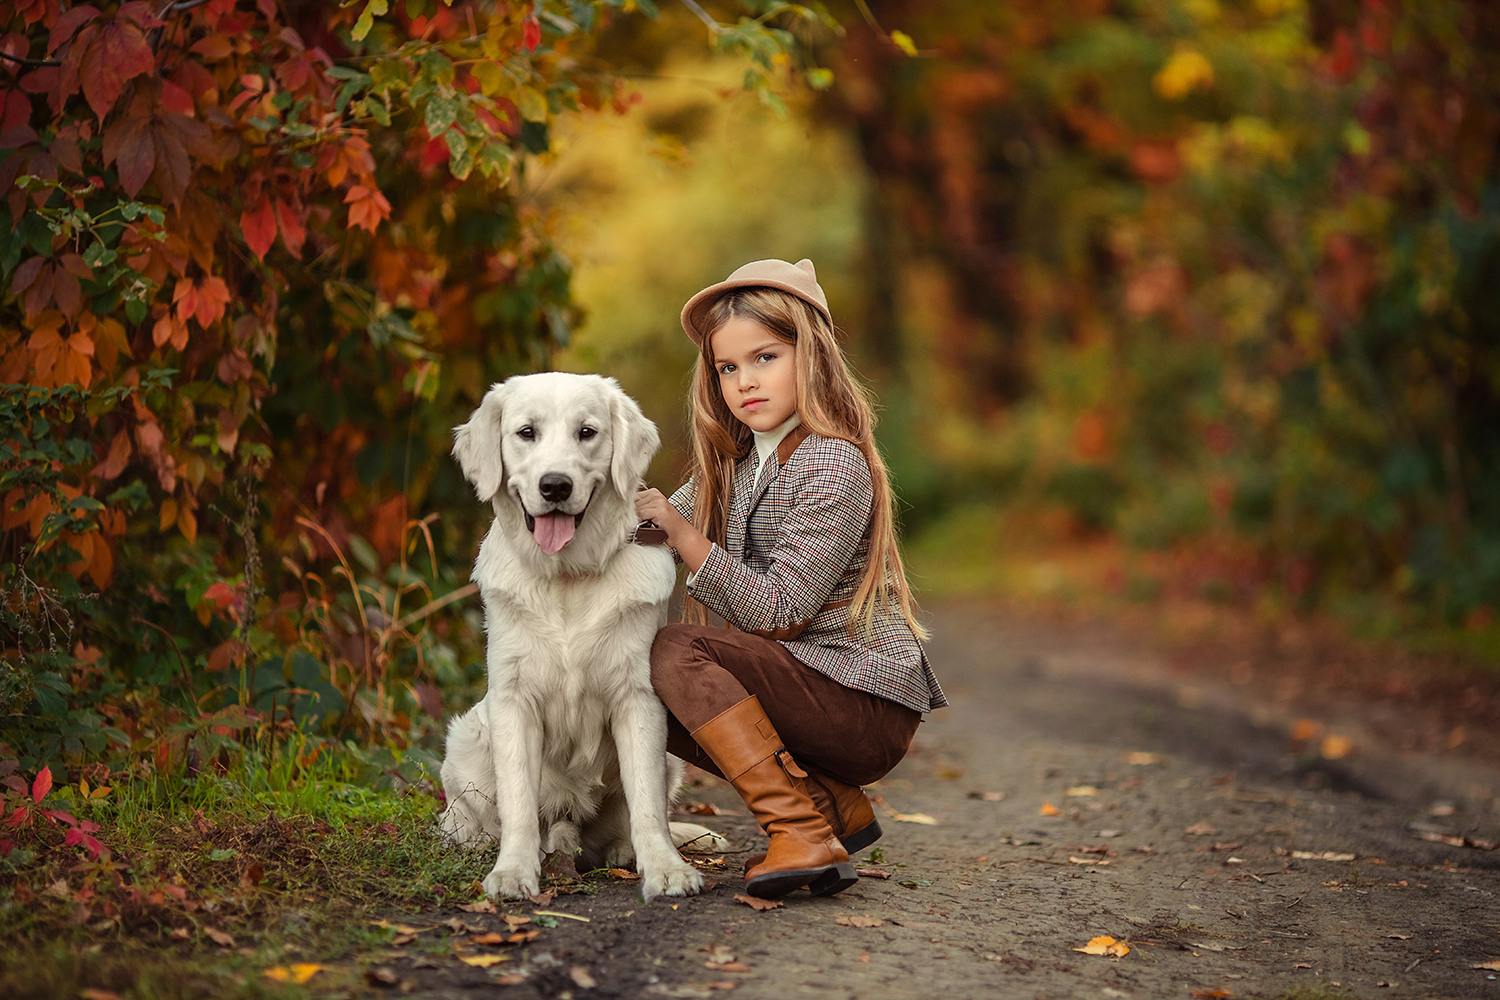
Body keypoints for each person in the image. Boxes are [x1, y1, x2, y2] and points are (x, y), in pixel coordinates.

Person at [634, 258, 947, 900]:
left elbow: (781, 609)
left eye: (766, 357)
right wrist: (575, 517)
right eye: (728, 367)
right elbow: (644, 532)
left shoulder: (829, 458)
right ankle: (833, 807)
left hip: (863, 704)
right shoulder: (742, 463)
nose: (745, 381)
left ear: (813, 356)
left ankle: (798, 827)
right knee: (630, 677)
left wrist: (684, 533)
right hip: (815, 691)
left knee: (674, 651)